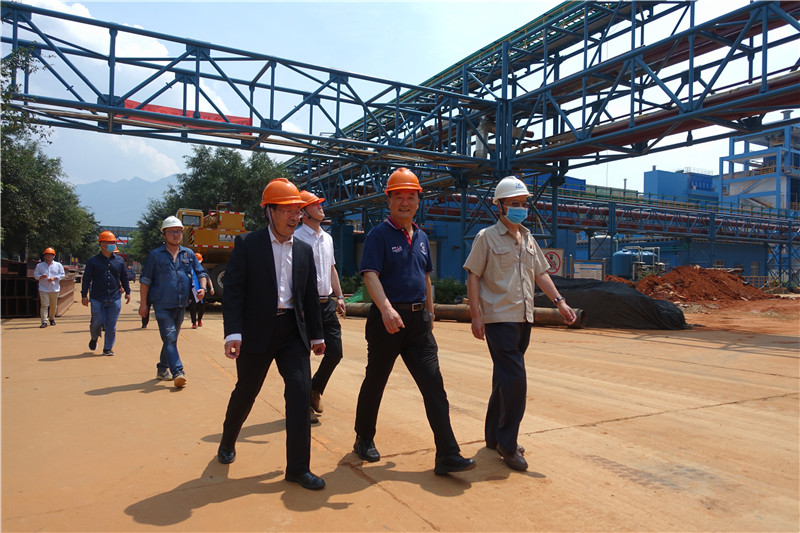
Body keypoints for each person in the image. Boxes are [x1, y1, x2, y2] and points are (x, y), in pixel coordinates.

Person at [354, 167, 476, 476]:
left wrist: (430, 313)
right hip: (387, 322)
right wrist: (386, 309)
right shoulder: (378, 235)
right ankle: (363, 438)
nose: (405, 202)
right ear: (389, 201)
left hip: (419, 324)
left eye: (411, 196)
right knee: (376, 381)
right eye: (399, 197)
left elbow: (425, 277)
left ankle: (447, 454)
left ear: (418, 201)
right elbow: (370, 275)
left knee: (434, 386)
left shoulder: (421, 236)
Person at [217, 178, 327, 491]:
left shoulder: (303, 250)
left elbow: (309, 296)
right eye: (288, 210)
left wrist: (317, 335)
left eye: (298, 211)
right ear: (270, 211)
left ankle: (298, 468)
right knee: (247, 391)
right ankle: (228, 440)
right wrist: (233, 333)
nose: (295, 216)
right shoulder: (248, 245)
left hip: (292, 331)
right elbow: (233, 291)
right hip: (256, 331)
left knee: (299, 392)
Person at [463, 176, 577, 472]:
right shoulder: (486, 237)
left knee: (503, 379)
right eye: (514, 203)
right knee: (516, 382)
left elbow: (541, 273)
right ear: (499, 207)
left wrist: (559, 302)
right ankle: (508, 444)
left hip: (524, 318)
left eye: (523, 203)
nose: (520, 208)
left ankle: (493, 437)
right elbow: (473, 276)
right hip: (499, 319)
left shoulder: (528, 238)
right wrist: (476, 315)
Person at [294, 190, 347, 424]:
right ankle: (302, 405)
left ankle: (315, 389)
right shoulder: (297, 238)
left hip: (327, 304)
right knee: (302, 356)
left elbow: (331, 269)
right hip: (306, 306)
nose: (320, 207)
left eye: (320, 203)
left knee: (335, 352)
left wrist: (340, 296)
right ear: (304, 213)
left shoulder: (327, 238)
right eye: (315, 204)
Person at [138, 216, 208, 388]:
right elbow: (145, 281)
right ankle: (178, 371)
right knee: (170, 338)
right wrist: (143, 304)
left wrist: (203, 288)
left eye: (178, 231)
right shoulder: (155, 255)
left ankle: (162, 368)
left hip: (181, 304)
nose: (176, 234)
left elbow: (201, 273)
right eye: (171, 231)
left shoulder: (188, 254)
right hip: (162, 305)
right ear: (164, 234)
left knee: (171, 339)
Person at [81, 231, 131, 356]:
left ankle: (108, 348)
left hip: (114, 297)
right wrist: (84, 295)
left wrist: (127, 292)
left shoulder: (119, 261)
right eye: (110, 242)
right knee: (97, 322)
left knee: (111, 325)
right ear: (102, 244)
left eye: (113, 242)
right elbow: (86, 279)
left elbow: (124, 277)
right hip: (97, 297)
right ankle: (94, 337)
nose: (112, 244)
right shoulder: (92, 261)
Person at [34, 247, 65, 328]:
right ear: (44, 256)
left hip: (54, 289)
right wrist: (41, 276)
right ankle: (44, 321)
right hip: (43, 288)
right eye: (47, 255)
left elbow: (62, 275)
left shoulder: (58, 265)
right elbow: (35, 275)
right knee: (44, 305)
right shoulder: (39, 265)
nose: (48, 256)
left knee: (53, 305)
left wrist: (54, 278)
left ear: (53, 256)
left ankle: (51, 318)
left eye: (50, 255)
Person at [188, 252, 215, 329]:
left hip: (202, 290)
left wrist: (212, 288)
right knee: (192, 306)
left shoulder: (204, 270)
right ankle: (194, 323)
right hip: (192, 290)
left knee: (202, 306)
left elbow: (208, 279)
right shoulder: (189, 270)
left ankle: (199, 319)